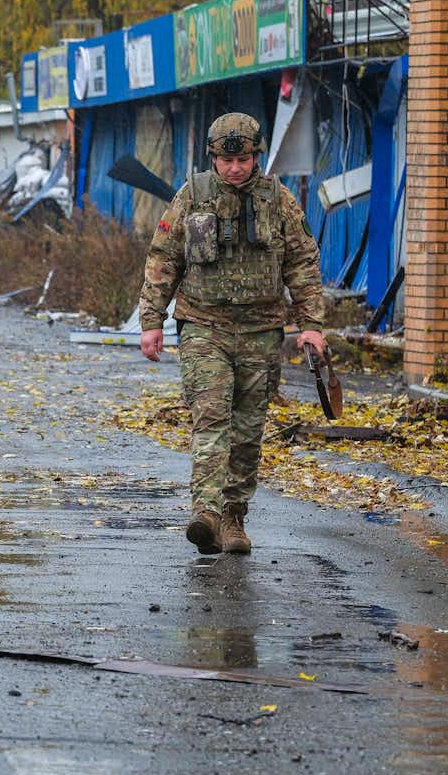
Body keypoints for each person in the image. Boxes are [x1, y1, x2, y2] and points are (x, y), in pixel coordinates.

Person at [134, 112, 328, 556]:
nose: (235, 167)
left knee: (247, 429)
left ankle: (233, 515)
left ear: (256, 156)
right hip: (204, 325)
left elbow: (302, 263)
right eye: (227, 159)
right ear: (214, 158)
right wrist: (152, 322)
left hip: (261, 330)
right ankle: (205, 511)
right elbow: (164, 258)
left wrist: (311, 326)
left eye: (243, 158)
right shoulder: (193, 196)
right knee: (211, 417)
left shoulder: (278, 201)